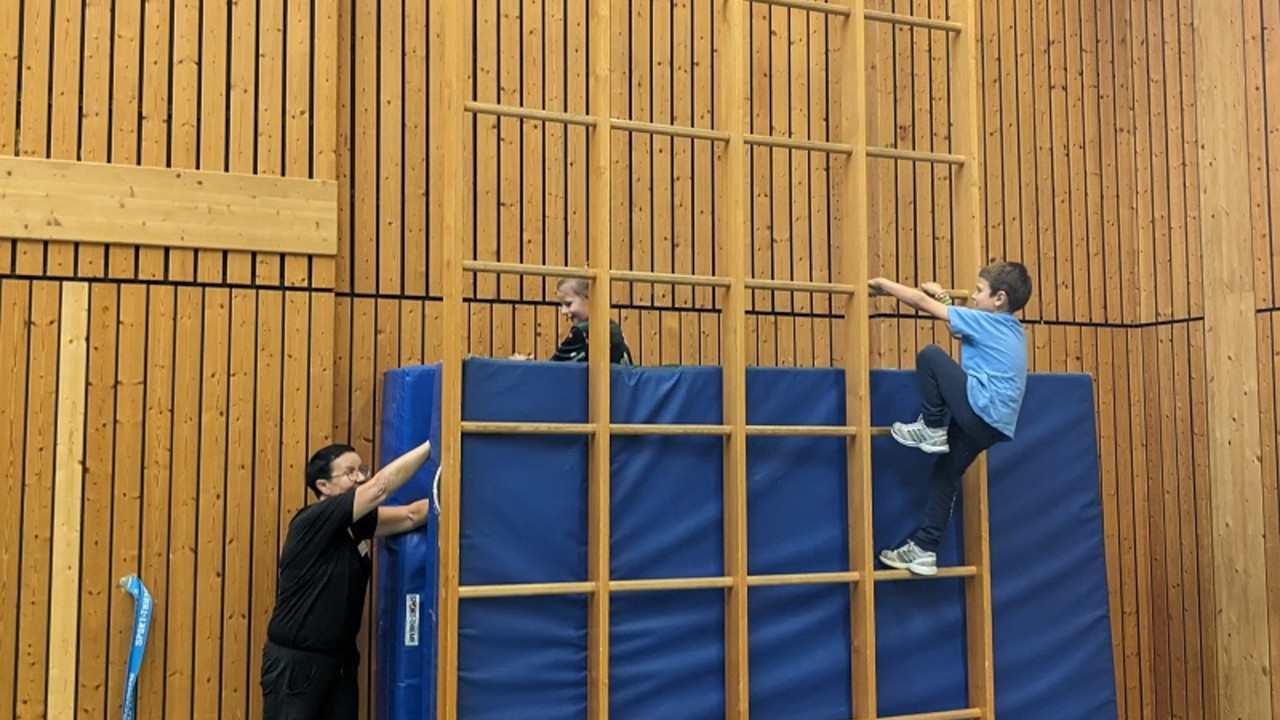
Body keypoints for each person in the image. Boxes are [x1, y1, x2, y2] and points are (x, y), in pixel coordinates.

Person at [867, 261, 1032, 576]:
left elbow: (920, 303)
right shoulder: (1008, 327)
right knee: (945, 473)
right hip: (992, 426)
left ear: (1000, 298)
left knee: (930, 355)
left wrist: (884, 284)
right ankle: (925, 549)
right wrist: (943, 297)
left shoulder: (990, 323)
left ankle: (931, 427)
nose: (972, 295)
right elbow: (959, 327)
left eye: (979, 291)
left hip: (980, 410)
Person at [261, 439, 433, 720]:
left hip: (339, 661)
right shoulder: (312, 519)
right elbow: (380, 487)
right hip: (297, 665)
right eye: (350, 472)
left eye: (362, 469)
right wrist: (432, 444)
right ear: (323, 486)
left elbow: (412, 516)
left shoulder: (356, 525)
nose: (360, 477)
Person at [512, 277, 634, 364]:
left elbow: (552, 370)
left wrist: (525, 364)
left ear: (590, 298)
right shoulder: (612, 327)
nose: (563, 311)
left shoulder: (582, 332)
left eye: (568, 304)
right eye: (562, 305)